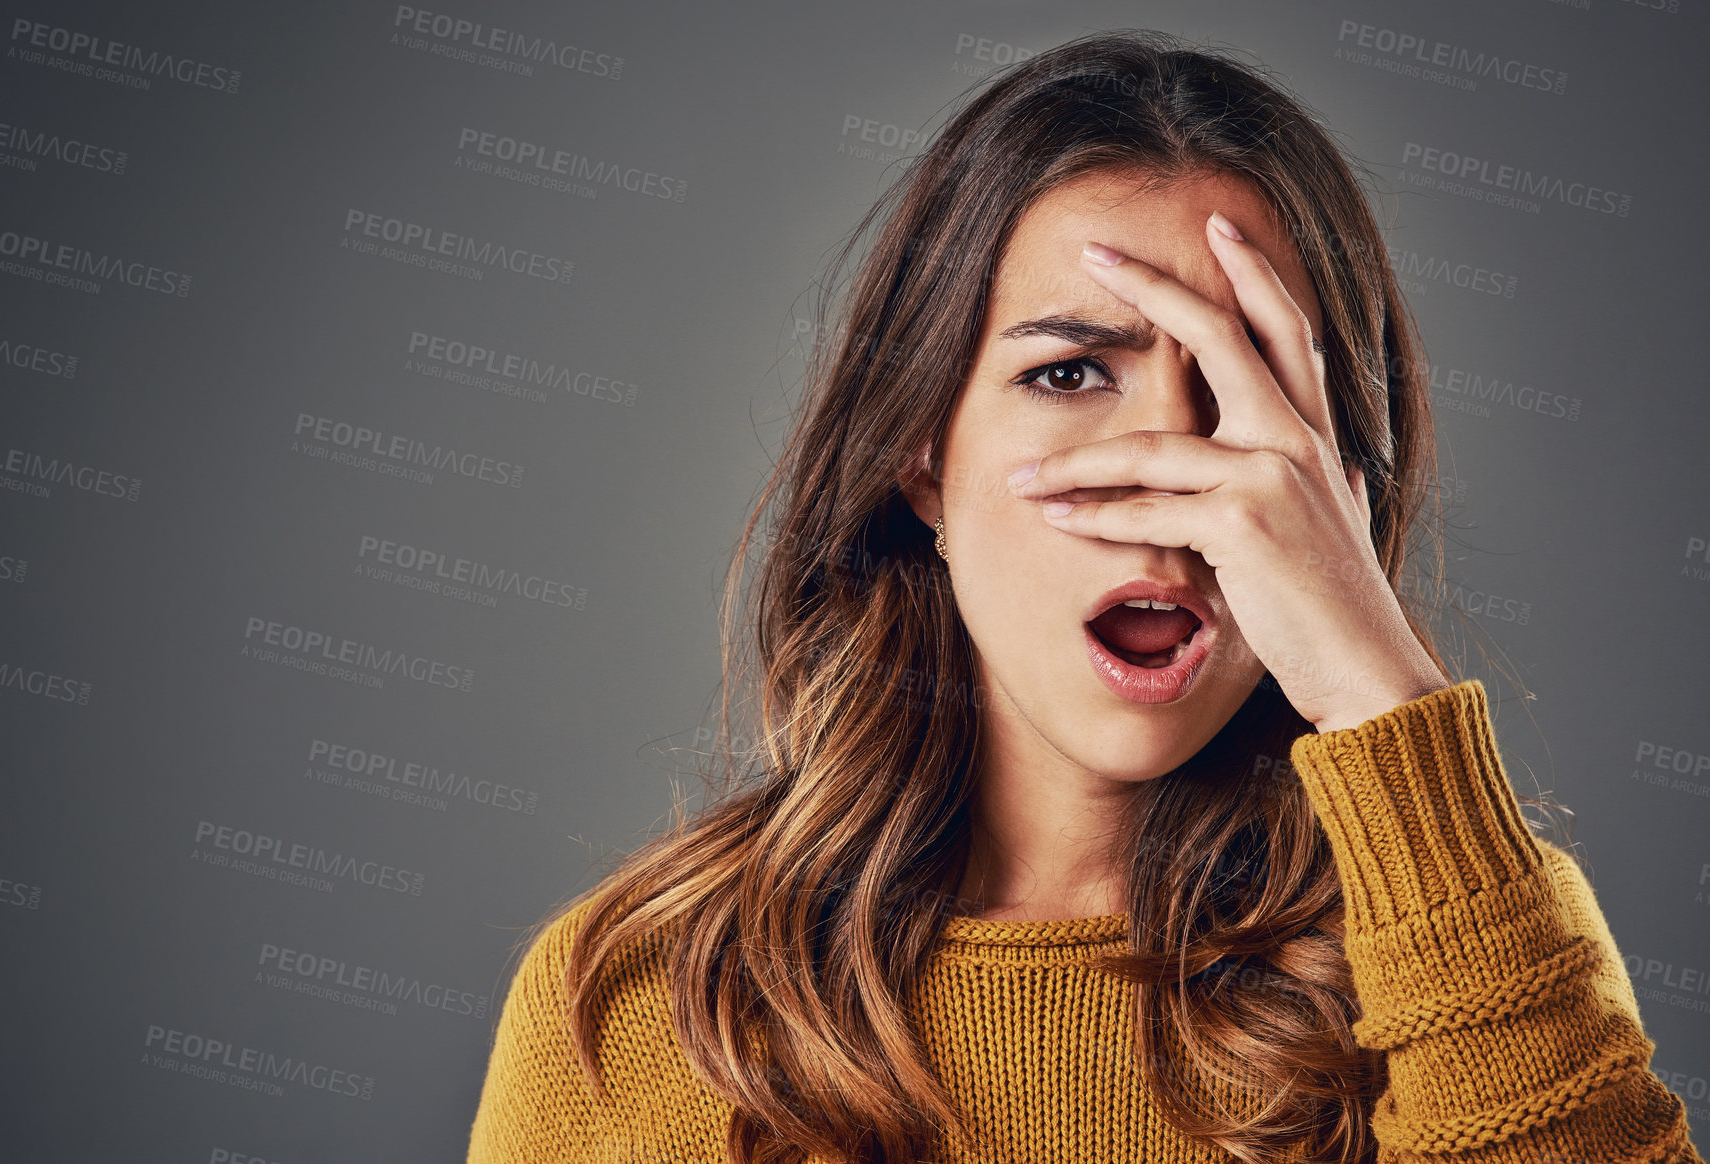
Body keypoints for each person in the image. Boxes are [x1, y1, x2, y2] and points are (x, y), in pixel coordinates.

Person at [465, 29, 1704, 1164]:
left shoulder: (1466, 937)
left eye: (1247, 382)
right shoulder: (632, 1002)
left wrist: (1382, 689)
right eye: (1068, 373)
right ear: (920, 458)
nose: (1178, 477)